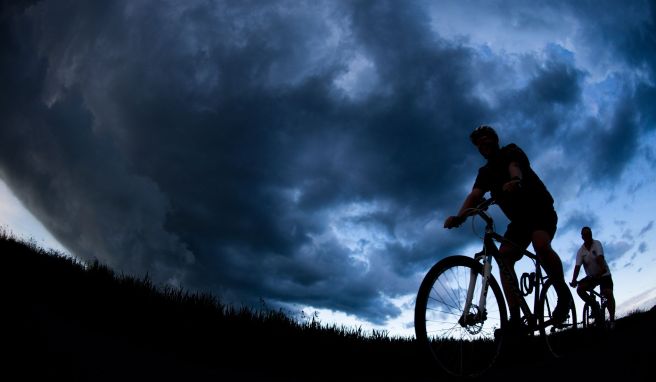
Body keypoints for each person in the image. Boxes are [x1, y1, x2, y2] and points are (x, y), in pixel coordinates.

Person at [444, 125, 572, 331]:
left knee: (540, 243)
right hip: (520, 222)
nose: (482, 144)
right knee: (504, 257)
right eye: (478, 143)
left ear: (494, 140)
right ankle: (515, 319)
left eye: (485, 139)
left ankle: (563, 295)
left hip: (540, 210)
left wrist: (515, 180)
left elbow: (515, 167)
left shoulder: (511, 152)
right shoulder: (484, 173)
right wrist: (459, 217)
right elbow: (475, 195)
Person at [570, 226, 616, 327]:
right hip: (592, 277)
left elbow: (600, 258)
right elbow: (577, 266)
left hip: (604, 274)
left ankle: (612, 319)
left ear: (591, 234)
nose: (587, 236)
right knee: (580, 289)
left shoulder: (597, 244)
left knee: (608, 293)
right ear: (582, 237)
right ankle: (594, 305)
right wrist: (574, 280)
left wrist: (602, 269)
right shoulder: (580, 251)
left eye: (589, 234)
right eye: (585, 234)